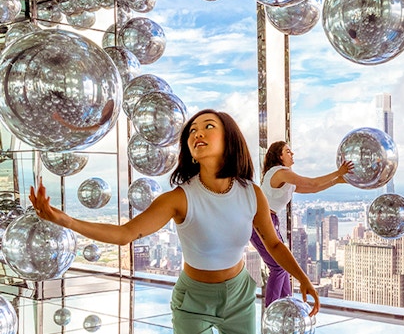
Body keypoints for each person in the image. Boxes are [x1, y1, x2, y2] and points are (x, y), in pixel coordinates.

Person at [29, 109, 320, 334]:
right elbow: (124, 234)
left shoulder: (251, 193)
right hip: (193, 299)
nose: (198, 133)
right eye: (192, 130)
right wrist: (63, 219)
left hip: (240, 295)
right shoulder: (179, 198)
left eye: (208, 126)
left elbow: (273, 244)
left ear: (229, 139)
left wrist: (303, 279)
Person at [251, 141, 354, 307]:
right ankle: (271, 311)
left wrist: (337, 180)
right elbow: (312, 183)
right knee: (278, 267)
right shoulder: (280, 172)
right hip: (260, 221)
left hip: (270, 220)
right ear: (279, 156)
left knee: (283, 267)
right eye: (288, 151)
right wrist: (338, 172)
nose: (292, 154)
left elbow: (312, 189)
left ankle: (285, 307)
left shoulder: (285, 177)